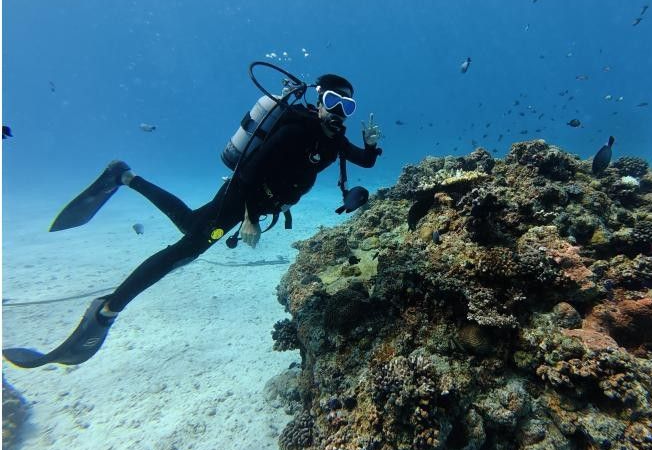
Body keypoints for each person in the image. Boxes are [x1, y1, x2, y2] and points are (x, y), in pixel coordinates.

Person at [3, 73, 382, 368]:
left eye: (346, 106)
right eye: (332, 101)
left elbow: (363, 161)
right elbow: (250, 171)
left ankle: (125, 177)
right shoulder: (296, 129)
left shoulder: (333, 140)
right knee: (186, 250)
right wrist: (249, 217)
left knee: (189, 227)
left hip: (262, 204)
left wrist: (371, 145)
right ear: (318, 100)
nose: (337, 111)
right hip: (242, 199)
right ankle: (108, 310)